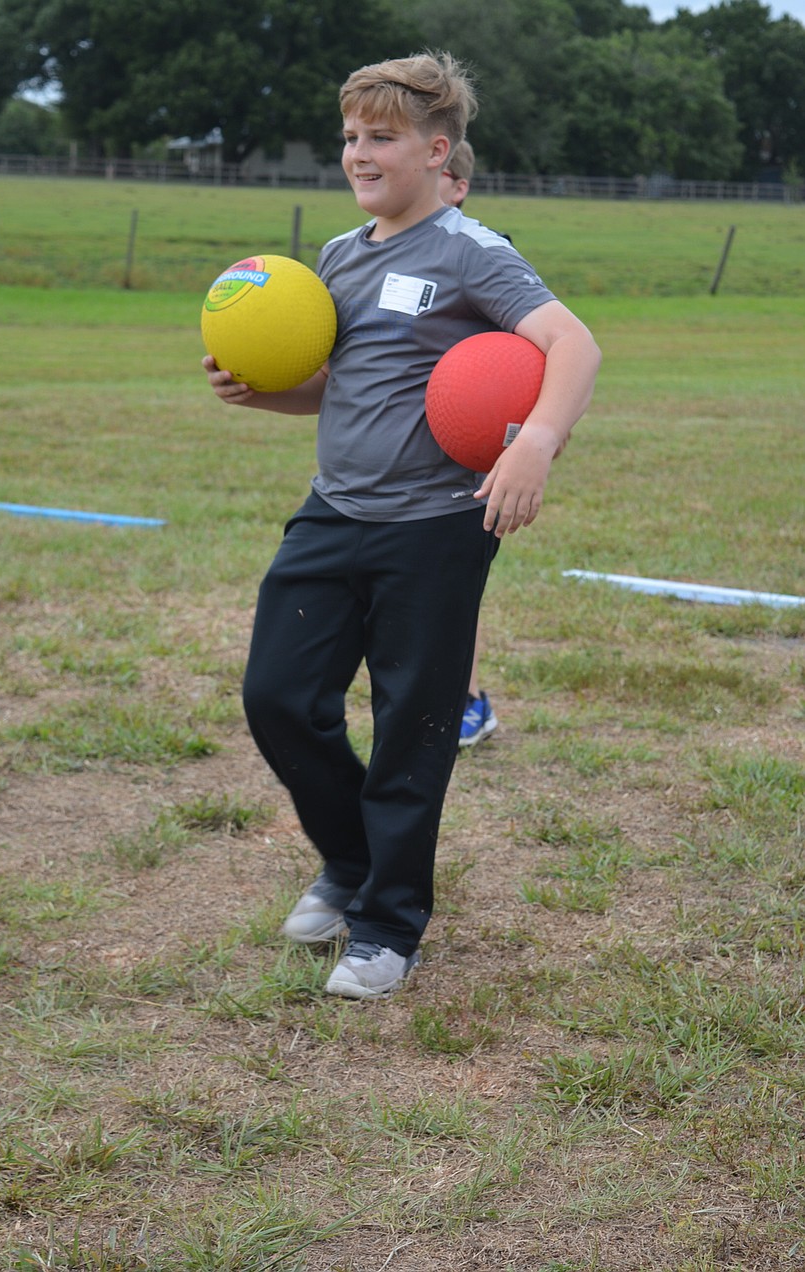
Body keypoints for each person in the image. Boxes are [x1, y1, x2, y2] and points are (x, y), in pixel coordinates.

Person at [203, 51, 601, 1000]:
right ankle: (350, 864)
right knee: (278, 697)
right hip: (334, 512)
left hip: (436, 526)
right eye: (350, 136)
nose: (358, 152)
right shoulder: (339, 260)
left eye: (380, 136)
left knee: (412, 728)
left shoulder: (472, 252)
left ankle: (388, 924)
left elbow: (573, 345)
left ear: (437, 149)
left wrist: (534, 445)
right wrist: (263, 396)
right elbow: (340, 388)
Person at [439, 139, 500, 748]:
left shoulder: (481, 255)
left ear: (456, 184)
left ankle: (470, 699)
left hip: (461, 479)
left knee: (455, 603)